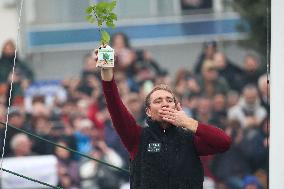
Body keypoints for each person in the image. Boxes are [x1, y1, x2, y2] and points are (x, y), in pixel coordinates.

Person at [93, 47, 231, 189]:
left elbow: (224, 142)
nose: (164, 103)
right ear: (148, 111)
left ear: (177, 107)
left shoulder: (190, 139)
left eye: (169, 100)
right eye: (158, 101)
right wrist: (107, 72)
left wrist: (187, 122)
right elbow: (115, 106)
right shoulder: (137, 137)